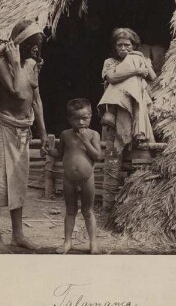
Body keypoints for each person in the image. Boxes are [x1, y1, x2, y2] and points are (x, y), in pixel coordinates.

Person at [0, 20, 47, 254]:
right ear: (19, 43)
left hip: (22, 131)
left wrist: (43, 133)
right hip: (1, 129)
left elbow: (36, 101)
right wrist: (15, 62)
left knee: (18, 184)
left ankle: (18, 235)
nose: (35, 50)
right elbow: (18, 92)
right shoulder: (1, 64)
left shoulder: (32, 65)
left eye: (38, 46)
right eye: (31, 45)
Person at [97, 28, 157, 210]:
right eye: (119, 45)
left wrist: (143, 64)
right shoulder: (110, 62)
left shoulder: (140, 59)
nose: (123, 48)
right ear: (114, 47)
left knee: (139, 159)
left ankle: (135, 207)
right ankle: (108, 206)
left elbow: (153, 77)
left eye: (127, 45)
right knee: (113, 158)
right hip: (114, 119)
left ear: (134, 46)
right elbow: (113, 78)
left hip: (137, 113)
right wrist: (134, 71)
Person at [48, 99, 103, 254]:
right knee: (70, 211)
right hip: (69, 180)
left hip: (87, 180)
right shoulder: (65, 135)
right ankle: (67, 242)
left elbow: (98, 156)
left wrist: (86, 141)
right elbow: (59, 154)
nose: (80, 122)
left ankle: (93, 243)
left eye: (84, 118)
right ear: (69, 119)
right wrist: (48, 151)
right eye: (76, 119)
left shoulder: (93, 135)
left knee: (88, 211)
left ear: (91, 117)